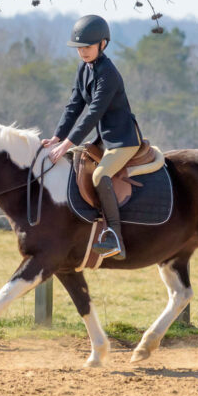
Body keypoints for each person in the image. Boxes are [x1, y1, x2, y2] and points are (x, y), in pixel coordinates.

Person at [43, 14, 143, 260]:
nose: (83, 52)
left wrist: (68, 143)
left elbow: (92, 114)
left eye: (87, 47)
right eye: (79, 48)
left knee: (100, 175)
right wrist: (57, 137)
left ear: (103, 44)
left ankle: (115, 237)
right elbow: (74, 106)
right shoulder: (83, 69)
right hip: (102, 140)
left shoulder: (108, 73)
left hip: (122, 140)